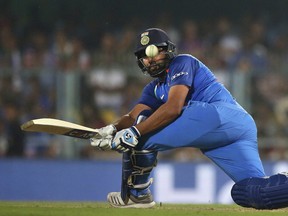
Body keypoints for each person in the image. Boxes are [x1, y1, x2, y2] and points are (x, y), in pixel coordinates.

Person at [90, 28, 288, 209]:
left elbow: (174, 108)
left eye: (154, 52)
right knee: (252, 193)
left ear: (168, 51)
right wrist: (111, 129)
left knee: (140, 137)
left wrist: (135, 132)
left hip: (216, 115)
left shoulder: (182, 62)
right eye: (144, 56)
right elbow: (132, 116)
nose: (150, 59)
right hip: (236, 128)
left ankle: (137, 195)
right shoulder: (153, 89)